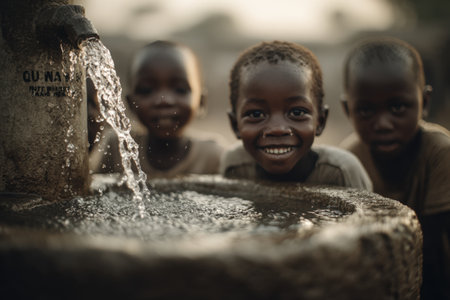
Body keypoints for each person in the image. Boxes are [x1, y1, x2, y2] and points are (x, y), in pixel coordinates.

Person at [340, 36, 450, 299]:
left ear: (424, 102)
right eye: (366, 110)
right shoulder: (348, 161)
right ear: (348, 110)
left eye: (398, 107)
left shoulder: (439, 153)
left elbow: (435, 243)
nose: (383, 124)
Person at [221, 41, 372, 190]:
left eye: (297, 113)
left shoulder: (341, 173)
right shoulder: (235, 166)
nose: (278, 129)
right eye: (256, 114)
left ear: (320, 121)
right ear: (235, 125)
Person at [90, 40, 225, 178]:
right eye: (147, 90)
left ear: (201, 101)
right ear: (130, 104)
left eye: (180, 89)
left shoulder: (213, 157)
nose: (163, 100)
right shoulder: (117, 147)